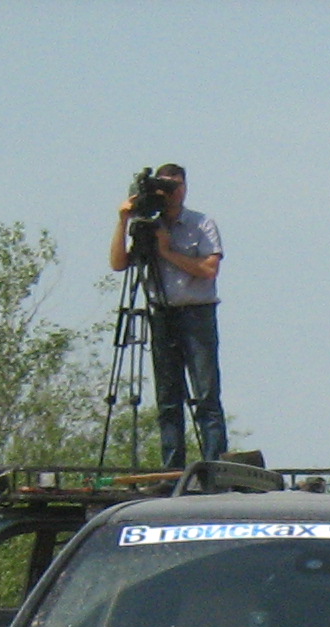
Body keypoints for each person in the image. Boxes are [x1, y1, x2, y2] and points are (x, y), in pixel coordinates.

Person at [109, 164, 227, 472]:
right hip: (161, 314)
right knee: (168, 399)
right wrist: (124, 222)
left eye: (175, 186)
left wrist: (166, 251)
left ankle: (215, 469)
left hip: (197, 314)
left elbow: (209, 270)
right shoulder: (148, 225)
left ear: (184, 188)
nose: (170, 193)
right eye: (164, 187)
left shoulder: (201, 224)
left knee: (205, 395)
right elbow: (118, 264)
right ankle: (172, 470)